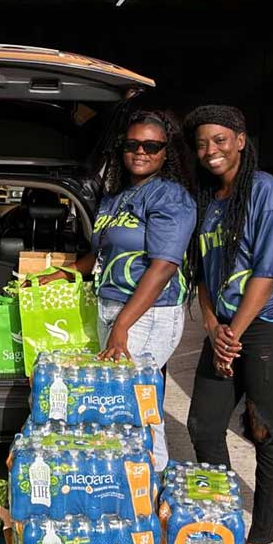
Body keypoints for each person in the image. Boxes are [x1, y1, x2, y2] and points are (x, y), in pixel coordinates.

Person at [183, 105, 273, 544]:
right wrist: (211, 323)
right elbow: (202, 268)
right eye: (203, 143)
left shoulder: (265, 189)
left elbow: (268, 272)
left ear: (241, 141)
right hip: (223, 326)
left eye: (220, 140)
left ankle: (260, 538)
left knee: (264, 429)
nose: (211, 151)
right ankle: (224, 517)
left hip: (266, 326)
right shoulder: (206, 197)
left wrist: (235, 332)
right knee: (203, 424)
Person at [44, 110, 197, 471]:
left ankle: (150, 483)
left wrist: (123, 326)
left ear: (165, 152)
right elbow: (100, 254)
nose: (140, 152)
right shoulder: (116, 197)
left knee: (135, 403)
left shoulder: (169, 197)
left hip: (148, 313)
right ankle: (123, 482)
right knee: (117, 402)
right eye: (132, 145)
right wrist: (65, 274)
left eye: (151, 146)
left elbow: (163, 266)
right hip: (112, 307)